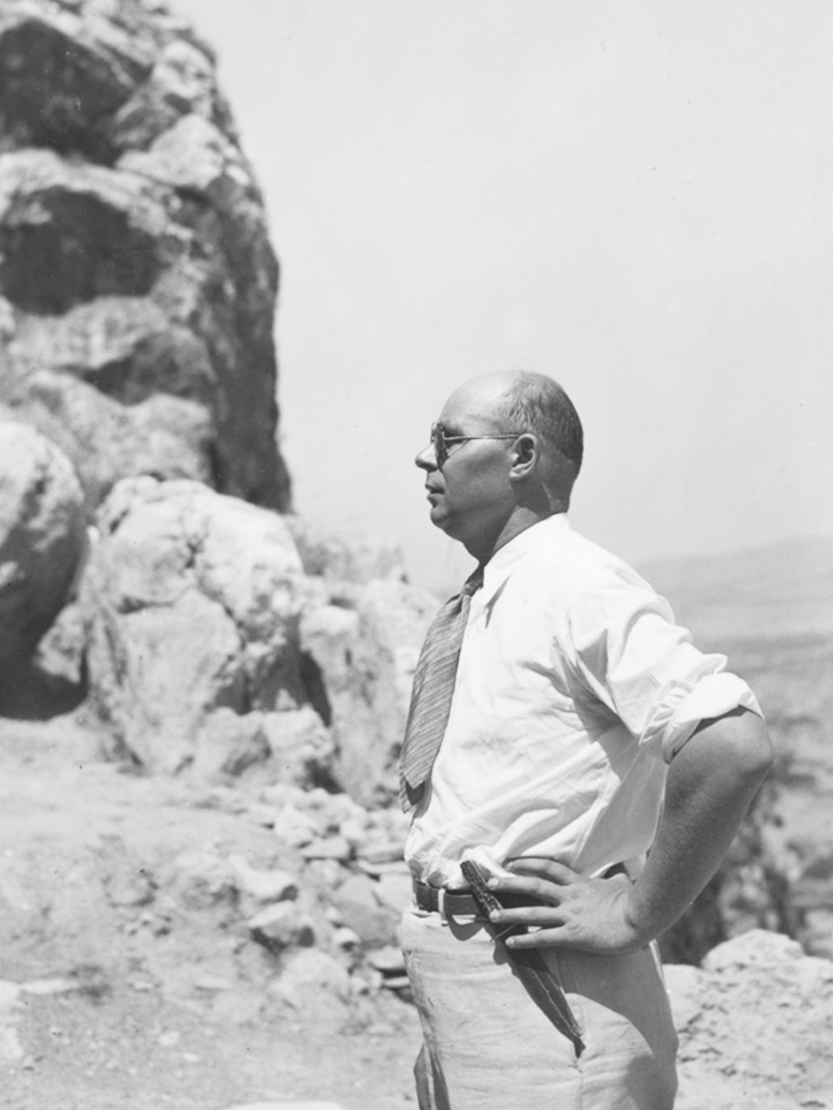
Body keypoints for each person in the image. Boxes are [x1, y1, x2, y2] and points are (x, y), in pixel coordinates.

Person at [398, 369, 773, 1110]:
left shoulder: (580, 586)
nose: (424, 459)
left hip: (549, 985)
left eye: (447, 439)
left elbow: (732, 747)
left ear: (521, 457)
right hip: (476, 985)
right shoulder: (490, 594)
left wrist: (634, 912)